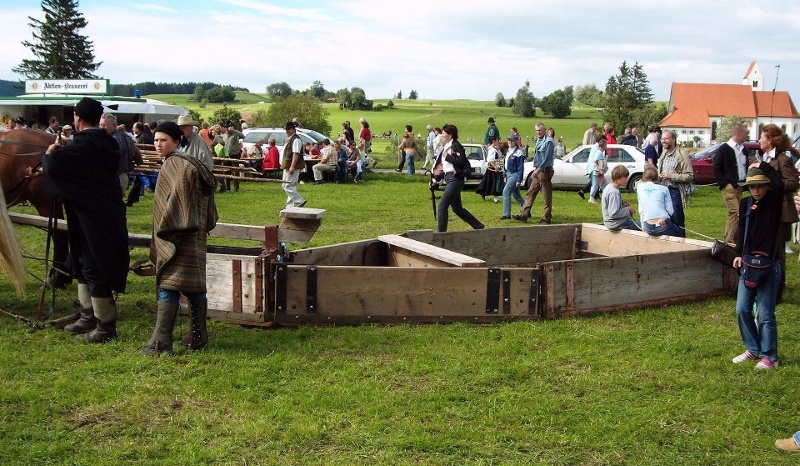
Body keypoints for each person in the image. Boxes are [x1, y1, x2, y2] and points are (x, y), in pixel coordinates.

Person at [42, 97, 129, 342]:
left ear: (77, 118)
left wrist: (49, 154)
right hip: (98, 214)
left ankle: (105, 327)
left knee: (93, 266)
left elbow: (53, 169)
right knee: (79, 261)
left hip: (93, 218)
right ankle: (88, 315)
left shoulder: (82, 147)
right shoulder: (105, 143)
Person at [142, 121, 218, 355]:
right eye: (155, 140)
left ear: (176, 142)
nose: (157, 144)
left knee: (170, 283)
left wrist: (171, 229)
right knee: (195, 285)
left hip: (177, 235)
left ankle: (161, 342)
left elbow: (177, 204)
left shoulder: (176, 165)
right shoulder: (189, 163)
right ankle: (198, 337)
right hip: (194, 236)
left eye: (163, 140)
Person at [731, 162, 783, 370]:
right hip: (748, 263)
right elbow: (741, 230)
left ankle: (770, 356)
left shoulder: (773, 201)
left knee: (765, 313)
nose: (756, 191)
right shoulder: (745, 205)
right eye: (752, 187)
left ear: (767, 186)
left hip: (769, 265)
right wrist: (738, 254)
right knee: (742, 309)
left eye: (760, 186)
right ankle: (753, 348)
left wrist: (763, 165)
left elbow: (779, 184)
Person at [760, 123, 798, 302]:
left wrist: (774, 183)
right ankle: (766, 284)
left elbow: (792, 184)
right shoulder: (763, 157)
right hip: (765, 210)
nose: (759, 140)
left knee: (778, 253)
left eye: (762, 137)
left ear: (770, 140)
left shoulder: (783, 159)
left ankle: (777, 291)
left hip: (780, 212)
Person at [436, 124, 484, 232]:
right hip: (450, 178)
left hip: (455, 179)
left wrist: (446, 156)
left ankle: (441, 234)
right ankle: (477, 225)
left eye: (444, 133)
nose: (442, 135)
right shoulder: (447, 146)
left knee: (442, 207)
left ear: (450, 135)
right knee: (457, 208)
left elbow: (461, 161)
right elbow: (442, 167)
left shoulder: (456, 145)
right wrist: (435, 179)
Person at [713, 123, 748, 244]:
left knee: (734, 213)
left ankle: (730, 239)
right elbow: (716, 166)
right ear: (738, 134)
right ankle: (731, 241)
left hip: (740, 187)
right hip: (729, 186)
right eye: (745, 133)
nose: (746, 135)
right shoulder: (724, 148)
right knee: (736, 211)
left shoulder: (743, 149)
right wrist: (724, 183)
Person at [513, 123, 555, 224]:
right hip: (537, 171)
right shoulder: (539, 140)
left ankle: (546, 217)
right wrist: (535, 169)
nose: (538, 132)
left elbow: (547, 159)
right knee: (530, 193)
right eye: (536, 130)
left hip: (544, 171)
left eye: (540, 130)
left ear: (544, 130)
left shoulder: (549, 141)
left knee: (546, 196)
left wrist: (538, 170)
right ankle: (523, 214)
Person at [657, 130, 693, 230]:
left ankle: (681, 240)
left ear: (673, 140)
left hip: (675, 192)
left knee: (677, 219)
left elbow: (690, 176)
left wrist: (671, 176)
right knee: (665, 219)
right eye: (662, 139)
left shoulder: (682, 155)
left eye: (666, 139)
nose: (664, 141)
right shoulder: (663, 154)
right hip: (663, 191)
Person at [637, 166, 684, 237]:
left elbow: (641, 210)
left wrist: (643, 227)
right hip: (663, 224)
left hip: (648, 226)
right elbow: (670, 210)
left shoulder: (639, 187)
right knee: (680, 235)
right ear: (656, 177)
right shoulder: (664, 189)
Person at [99, 113, 131, 192]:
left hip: (117, 177)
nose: (101, 128)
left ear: (113, 125)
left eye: (104, 125)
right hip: (114, 176)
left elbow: (114, 159)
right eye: (100, 125)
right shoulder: (111, 137)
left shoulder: (115, 139)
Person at [602, 165, 640, 231]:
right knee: (643, 228)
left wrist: (623, 206)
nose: (627, 179)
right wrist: (628, 209)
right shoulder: (614, 192)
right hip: (616, 223)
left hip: (612, 222)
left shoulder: (609, 187)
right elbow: (614, 214)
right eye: (625, 177)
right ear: (618, 177)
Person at [500, 135, 526, 219]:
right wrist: (504, 175)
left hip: (514, 174)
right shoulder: (508, 151)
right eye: (509, 141)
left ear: (515, 142)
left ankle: (506, 214)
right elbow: (505, 164)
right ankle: (526, 210)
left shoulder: (519, 153)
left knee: (506, 192)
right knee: (516, 195)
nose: (510, 142)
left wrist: (519, 179)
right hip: (508, 173)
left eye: (512, 141)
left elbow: (520, 167)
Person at [281, 121, 306, 208]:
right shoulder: (291, 139)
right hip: (288, 165)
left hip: (292, 166)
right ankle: (289, 206)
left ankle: (300, 201)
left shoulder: (296, 139)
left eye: (288, 129)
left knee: (287, 185)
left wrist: (292, 166)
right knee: (291, 186)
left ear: (293, 129)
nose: (286, 131)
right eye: (286, 129)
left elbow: (296, 154)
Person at [475, 136, 503, 203]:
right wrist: (495, 167)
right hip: (492, 169)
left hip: (494, 168)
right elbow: (490, 160)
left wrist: (498, 149)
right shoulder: (492, 150)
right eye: (497, 140)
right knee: (494, 183)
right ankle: (495, 198)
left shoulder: (494, 149)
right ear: (493, 141)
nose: (498, 142)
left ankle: (483, 193)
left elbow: (500, 155)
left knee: (489, 183)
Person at [222, 122, 245, 192]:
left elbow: (243, 136)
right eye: (228, 127)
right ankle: (227, 186)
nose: (230, 128)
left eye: (231, 127)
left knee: (235, 171)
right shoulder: (224, 135)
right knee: (227, 171)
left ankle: (236, 187)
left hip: (235, 154)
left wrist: (234, 131)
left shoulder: (236, 133)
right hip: (226, 155)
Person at [586, 138, 608, 203]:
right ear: (603, 146)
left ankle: (607, 196)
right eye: (606, 145)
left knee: (604, 184)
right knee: (595, 184)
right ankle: (591, 198)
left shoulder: (600, 152)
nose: (606, 146)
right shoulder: (599, 153)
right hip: (596, 172)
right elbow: (596, 161)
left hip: (599, 172)